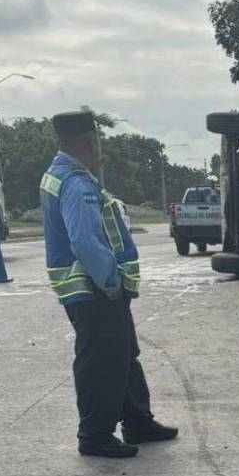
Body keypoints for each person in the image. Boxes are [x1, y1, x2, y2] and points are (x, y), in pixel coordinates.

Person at [40, 110, 178, 458]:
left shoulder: (60, 175)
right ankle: (95, 435)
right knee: (101, 363)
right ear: (90, 142)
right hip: (94, 289)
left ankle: (137, 420)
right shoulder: (76, 183)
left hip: (94, 290)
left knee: (123, 355)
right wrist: (112, 282)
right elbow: (84, 240)